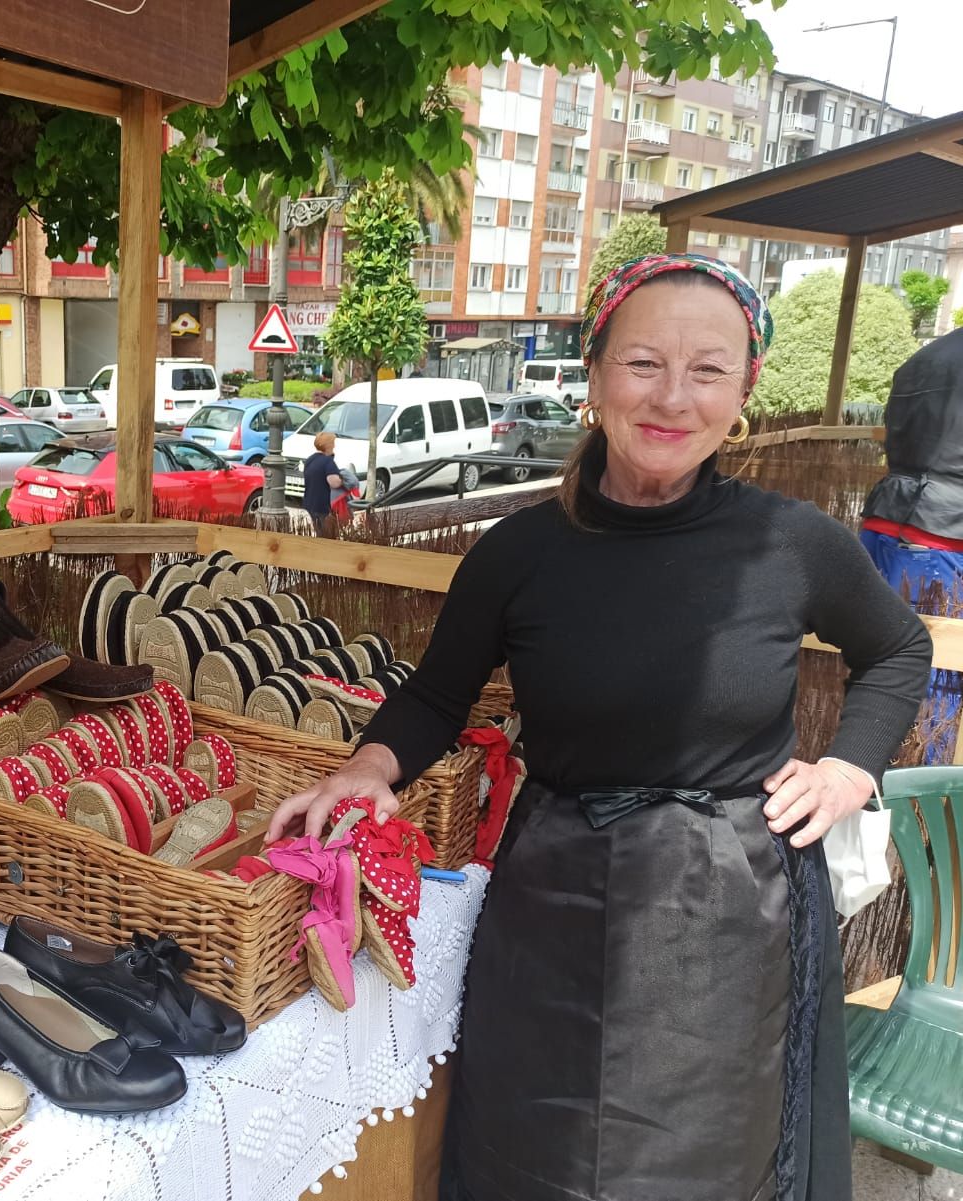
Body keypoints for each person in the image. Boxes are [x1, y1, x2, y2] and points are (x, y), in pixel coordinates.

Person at [268, 253, 932, 1201]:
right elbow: (435, 695)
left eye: (709, 369)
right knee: (528, 1157)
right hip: (554, 901)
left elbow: (898, 649)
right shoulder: (520, 553)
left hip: (730, 914)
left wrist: (849, 771)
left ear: (744, 389)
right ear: (594, 377)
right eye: (643, 362)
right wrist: (370, 767)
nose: (673, 396)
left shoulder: (792, 544)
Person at [302, 431, 344, 536]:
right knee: (327, 534)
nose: (334, 445)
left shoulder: (310, 460)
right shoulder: (327, 461)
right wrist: (343, 481)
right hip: (322, 505)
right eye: (333, 443)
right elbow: (334, 482)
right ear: (328, 445)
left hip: (310, 502)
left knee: (318, 530)